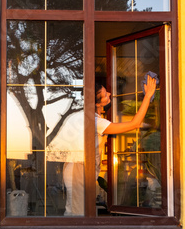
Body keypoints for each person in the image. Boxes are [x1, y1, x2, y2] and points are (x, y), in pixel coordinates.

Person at [63, 75, 157, 216]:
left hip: (79, 168)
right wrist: (148, 96)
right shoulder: (96, 122)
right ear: (97, 103)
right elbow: (134, 124)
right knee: (78, 213)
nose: (110, 95)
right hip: (78, 169)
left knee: (77, 210)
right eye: (105, 94)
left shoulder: (94, 119)